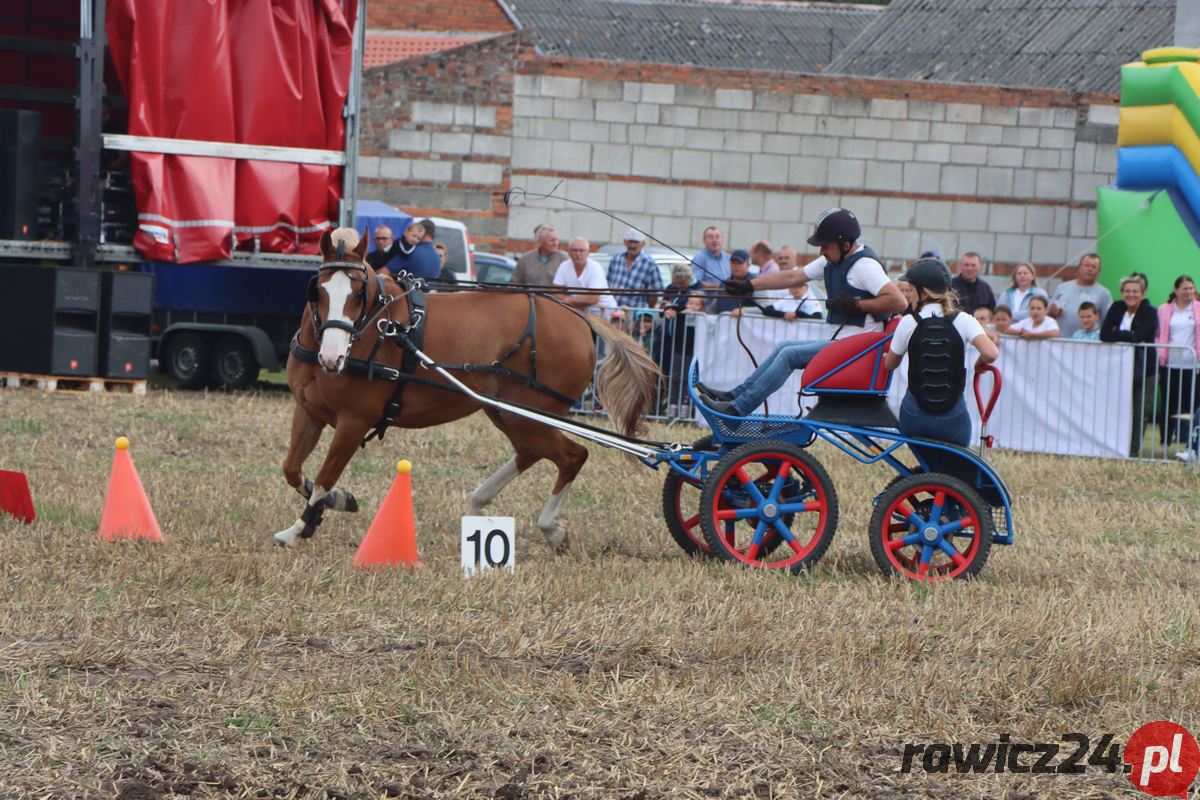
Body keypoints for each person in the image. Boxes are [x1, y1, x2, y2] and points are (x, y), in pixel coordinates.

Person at [700, 208, 908, 416]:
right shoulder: (834, 260)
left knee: (790, 355)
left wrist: (857, 306)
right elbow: (793, 277)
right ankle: (733, 397)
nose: (821, 251)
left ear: (845, 245)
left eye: (825, 245)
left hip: (858, 353)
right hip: (846, 347)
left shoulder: (864, 266)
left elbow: (898, 301)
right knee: (784, 347)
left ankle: (737, 410)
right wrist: (749, 286)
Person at [883, 258, 998, 447]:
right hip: (953, 418)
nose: (908, 296)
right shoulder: (963, 319)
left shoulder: (908, 322)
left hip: (914, 416)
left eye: (911, 290)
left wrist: (885, 358)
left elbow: (890, 365)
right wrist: (979, 363)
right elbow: (991, 353)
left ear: (924, 294)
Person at [1100, 276, 1159, 456]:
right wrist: (1129, 334)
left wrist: (1117, 333)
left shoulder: (1149, 311)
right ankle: (1113, 447)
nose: (1131, 294)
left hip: (1145, 369)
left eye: (1135, 291)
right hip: (1118, 370)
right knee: (1115, 408)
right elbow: (1104, 334)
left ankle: (1133, 452)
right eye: (1127, 291)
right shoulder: (1117, 307)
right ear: (1122, 293)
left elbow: (1139, 336)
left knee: (1139, 411)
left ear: (1142, 293)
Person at [1154, 275, 1200, 453]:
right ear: (1176, 290)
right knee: (1168, 404)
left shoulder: (1197, 308)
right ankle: (1165, 443)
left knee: (1193, 406)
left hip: (1193, 366)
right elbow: (1160, 334)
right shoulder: (1164, 309)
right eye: (1185, 288)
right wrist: (1160, 354)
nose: (1189, 292)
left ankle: (1192, 446)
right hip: (1170, 365)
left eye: (1191, 288)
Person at [1049, 253, 1112, 338]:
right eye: (1087, 265)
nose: (1090, 269)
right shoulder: (1062, 287)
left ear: (1099, 272)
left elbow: (1109, 322)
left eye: (1094, 267)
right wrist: (1052, 311)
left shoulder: (1104, 293)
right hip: (1061, 343)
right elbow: (1048, 315)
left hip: (1088, 345)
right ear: (1079, 268)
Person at [553, 237, 617, 317]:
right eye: (574, 250)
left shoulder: (595, 268)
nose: (578, 254)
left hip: (604, 313)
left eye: (581, 250)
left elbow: (593, 298)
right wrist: (572, 302)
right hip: (579, 312)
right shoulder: (564, 266)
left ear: (588, 252)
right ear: (569, 252)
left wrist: (568, 300)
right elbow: (556, 291)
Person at [606, 227, 662, 309]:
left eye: (636, 242)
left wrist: (647, 313)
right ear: (625, 242)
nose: (632, 245)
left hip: (636, 317)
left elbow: (654, 294)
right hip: (614, 313)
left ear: (643, 244)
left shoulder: (649, 264)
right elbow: (608, 286)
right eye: (630, 241)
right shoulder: (616, 259)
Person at [374, 219, 440, 279]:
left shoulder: (411, 251)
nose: (415, 239)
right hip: (427, 291)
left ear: (422, 232)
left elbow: (382, 273)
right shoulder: (437, 256)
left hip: (407, 291)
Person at [712, 250, 756, 315]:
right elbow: (713, 308)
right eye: (733, 263)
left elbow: (764, 306)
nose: (736, 266)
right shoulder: (723, 284)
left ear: (748, 265)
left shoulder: (756, 283)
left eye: (740, 263)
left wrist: (745, 310)